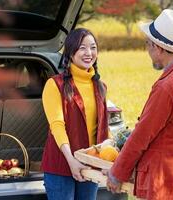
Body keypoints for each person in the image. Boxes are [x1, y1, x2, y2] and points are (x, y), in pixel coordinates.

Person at [106, 9, 173, 200]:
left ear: (158, 47)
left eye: (147, 45)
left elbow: (142, 135)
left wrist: (117, 173)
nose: (148, 51)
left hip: (164, 180)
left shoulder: (167, 87)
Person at [40, 28, 108, 200]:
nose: (89, 53)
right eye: (82, 48)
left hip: (90, 165)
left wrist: (108, 161)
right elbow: (57, 125)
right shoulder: (54, 85)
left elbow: (102, 129)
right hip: (61, 166)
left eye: (93, 47)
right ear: (70, 52)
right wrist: (71, 160)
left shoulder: (100, 86)